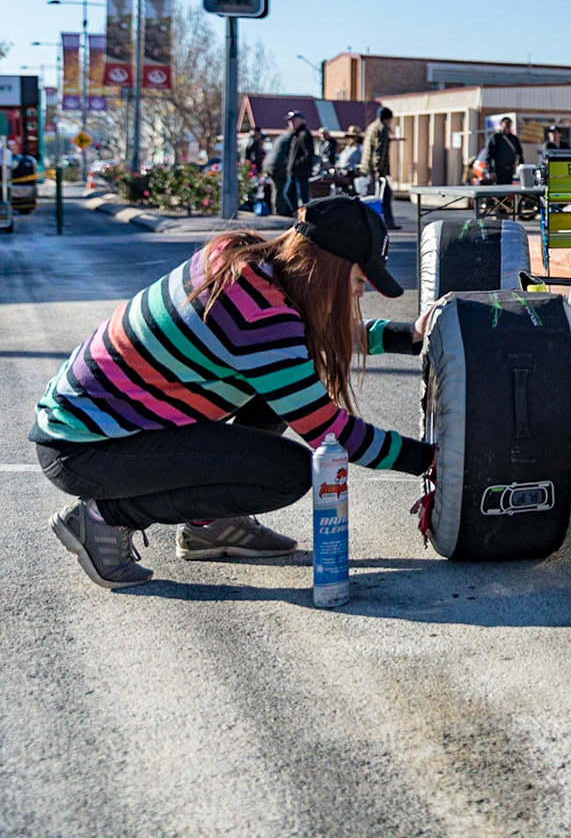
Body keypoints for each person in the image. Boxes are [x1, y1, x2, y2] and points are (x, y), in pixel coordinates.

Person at [33, 195, 435, 589]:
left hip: (93, 426)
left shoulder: (246, 262)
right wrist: (431, 461)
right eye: (358, 280)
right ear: (325, 268)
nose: (359, 294)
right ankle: (106, 516)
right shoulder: (258, 317)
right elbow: (332, 433)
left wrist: (408, 336)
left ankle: (210, 524)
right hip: (85, 451)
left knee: (286, 381)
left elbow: (298, 344)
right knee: (288, 473)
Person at [362, 107, 398, 230]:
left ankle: (371, 220)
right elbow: (379, 152)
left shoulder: (371, 127)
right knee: (384, 195)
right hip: (376, 168)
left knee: (371, 194)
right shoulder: (382, 130)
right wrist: (379, 170)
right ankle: (386, 221)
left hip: (368, 167)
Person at [284, 112, 316, 211]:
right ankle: (298, 215)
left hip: (301, 172)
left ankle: (307, 218)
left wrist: (297, 164)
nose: (291, 123)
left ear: (301, 120)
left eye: (293, 120)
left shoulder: (305, 134)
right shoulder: (294, 135)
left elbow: (308, 154)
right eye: (290, 121)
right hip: (293, 172)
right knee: (288, 194)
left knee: (303, 197)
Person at [482, 114, 525, 185]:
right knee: (498, 191)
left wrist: (521, 168)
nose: (507, 128)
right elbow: (489, 155)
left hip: (510, 170)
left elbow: (519, 154)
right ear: (501, 125)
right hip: (498, 171)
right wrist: (489, 170)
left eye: (509, 126)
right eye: (506, 125)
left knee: (508, 191)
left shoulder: (514, 139)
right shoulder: (495, 137)